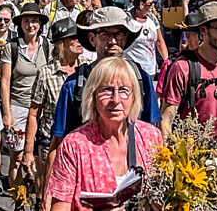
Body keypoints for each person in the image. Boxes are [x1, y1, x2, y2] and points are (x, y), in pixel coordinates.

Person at [44, 57, 164, 211]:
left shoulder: (151, 138)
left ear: (134, 97)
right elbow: (60, 207)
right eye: (106, 90)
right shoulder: (74, 145)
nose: (115, 99)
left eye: (123, 90)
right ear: (93, 97)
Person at [160, 1, 217, 145]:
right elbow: (166, 119)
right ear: (203, 31)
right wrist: (169, 160)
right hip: (190, 156)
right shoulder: (183, 68)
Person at [23, 18, 82, 201]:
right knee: (45, 197)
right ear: (61, 43)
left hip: (78, 145)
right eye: (73, 37)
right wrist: (28, 152)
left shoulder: (86, 70)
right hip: (49, 144)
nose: (79, 41)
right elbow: (34, 113)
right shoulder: (46, 72)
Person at [0, 2, 51, 197]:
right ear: (20, 24)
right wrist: (7, 114)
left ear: (40, 24)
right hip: (19, 106)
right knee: (17, 158)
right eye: (27, 21)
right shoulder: (12, 47)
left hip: (41, 109)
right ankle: (18, 199)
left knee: (40, 157)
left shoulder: (46, 45)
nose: (30, 25)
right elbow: (5, 82)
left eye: (34, 21)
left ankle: (39, 200)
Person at [122, 0, 168, 80]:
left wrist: (166, 60)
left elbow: (159, 41)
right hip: (130, 67)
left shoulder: (152, 18)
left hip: (149, 68)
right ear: (141, 5)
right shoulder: (127, 19)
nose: (153, 6)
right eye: (150, 3)